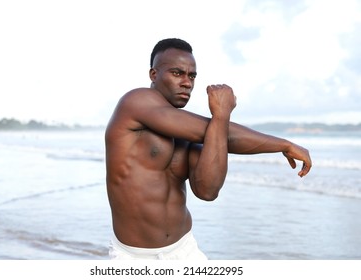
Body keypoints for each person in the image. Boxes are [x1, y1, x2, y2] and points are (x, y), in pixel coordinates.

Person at [105, 38, 312, 260]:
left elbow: (207, 191)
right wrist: (284, 144)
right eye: (177, 73)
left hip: (185, 250)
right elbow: (218, 131)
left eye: (191, 75)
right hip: (134, 258)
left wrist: (220, 118)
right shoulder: (136, 101)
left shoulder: (187, 131)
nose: (187, 82)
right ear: (154, 75)